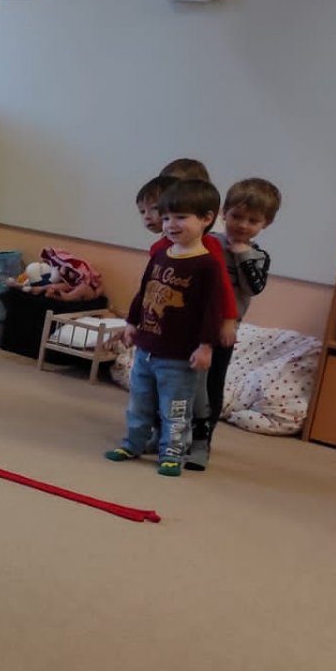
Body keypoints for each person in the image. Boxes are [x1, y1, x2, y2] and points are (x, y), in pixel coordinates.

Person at [108, 179, 230, 476]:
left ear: (206, 218)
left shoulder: (207, 265)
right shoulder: (161, 254)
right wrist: (132, 323)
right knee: (139, 403)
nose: (170, 225)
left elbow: (212, 311)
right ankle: (133, 443)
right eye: (165, 218)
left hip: (179, 358)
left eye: (181, 217)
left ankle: (172, 453)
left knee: (175, 410)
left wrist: (206, 346)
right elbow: (145, 291)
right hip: (147, 351)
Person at [186, 176, 282, 470]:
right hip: (190, 324)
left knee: (210, 386)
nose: (242, 225)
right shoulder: (208, 242)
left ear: (266, 223)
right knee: (178, 380)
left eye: (253, 221)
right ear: (223, 213)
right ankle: (169, 432)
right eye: (237, 216)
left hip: (223, 331)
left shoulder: (257, 256)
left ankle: (202, 441)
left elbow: (254, 288)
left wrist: (242, 257)